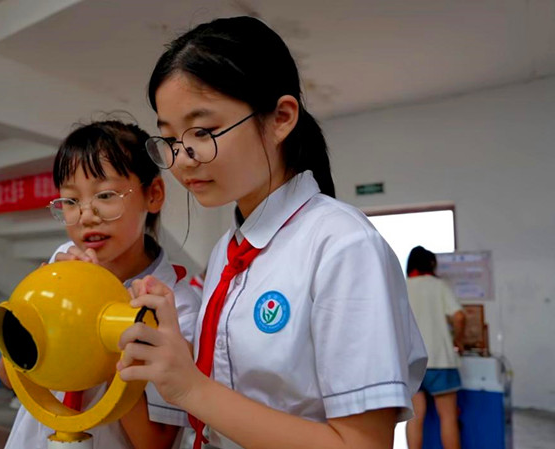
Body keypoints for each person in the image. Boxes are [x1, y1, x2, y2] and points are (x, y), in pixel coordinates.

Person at [115, 16, 428, 449]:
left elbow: (362, 444)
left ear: (281, 119)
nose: (183, 160)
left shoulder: (342, 245)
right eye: (169, 139)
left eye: (202, 132)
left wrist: (191, 389)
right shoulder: (229, 250)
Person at [0, 120, 200, 449]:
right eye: (71, 201)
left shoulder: (174, 305)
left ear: (154, 195)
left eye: (105, 195)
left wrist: (105, 328)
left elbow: (155, 442)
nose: (87, 215)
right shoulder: (62, 262)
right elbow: (8, 376)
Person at [405, 246, 465, 449]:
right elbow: (459, 316)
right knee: (447, 417)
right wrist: (459, 339)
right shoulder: (438, 286)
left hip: (411, 362)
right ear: (431, 264)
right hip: (441, 360)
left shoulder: (402, 287)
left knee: (414, 418)